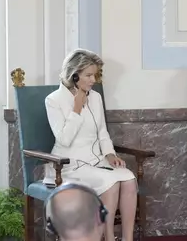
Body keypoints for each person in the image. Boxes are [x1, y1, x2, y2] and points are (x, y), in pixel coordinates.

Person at [44, 48, 138, 241]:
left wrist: (110, 154)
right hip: (68, 166)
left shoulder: (95, 97)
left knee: (128, 179)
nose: (93, 80)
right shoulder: (53, 100)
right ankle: (109, 237)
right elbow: (64, 139)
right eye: (88, 75)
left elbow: (102, 132)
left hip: (96, 162)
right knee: (110, 182)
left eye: (94, 75)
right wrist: (77, 109)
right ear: (74, 75)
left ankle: (128, 239)